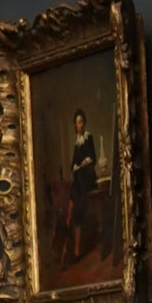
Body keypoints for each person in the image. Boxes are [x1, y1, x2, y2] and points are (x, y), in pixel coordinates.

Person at [65, 110, 98, 265]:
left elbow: (93, 158)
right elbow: (73, 165)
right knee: (73, 203)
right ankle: (68, 224)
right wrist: (77, 166)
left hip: (88, 178)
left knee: (77, 202)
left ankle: (76, 247)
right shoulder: (77, 142)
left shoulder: (88, 137)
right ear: (75, 125)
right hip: (79, 180)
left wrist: (84, 163)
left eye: (81, 121)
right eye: (77, 122)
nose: (80, 124)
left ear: (84, 123)